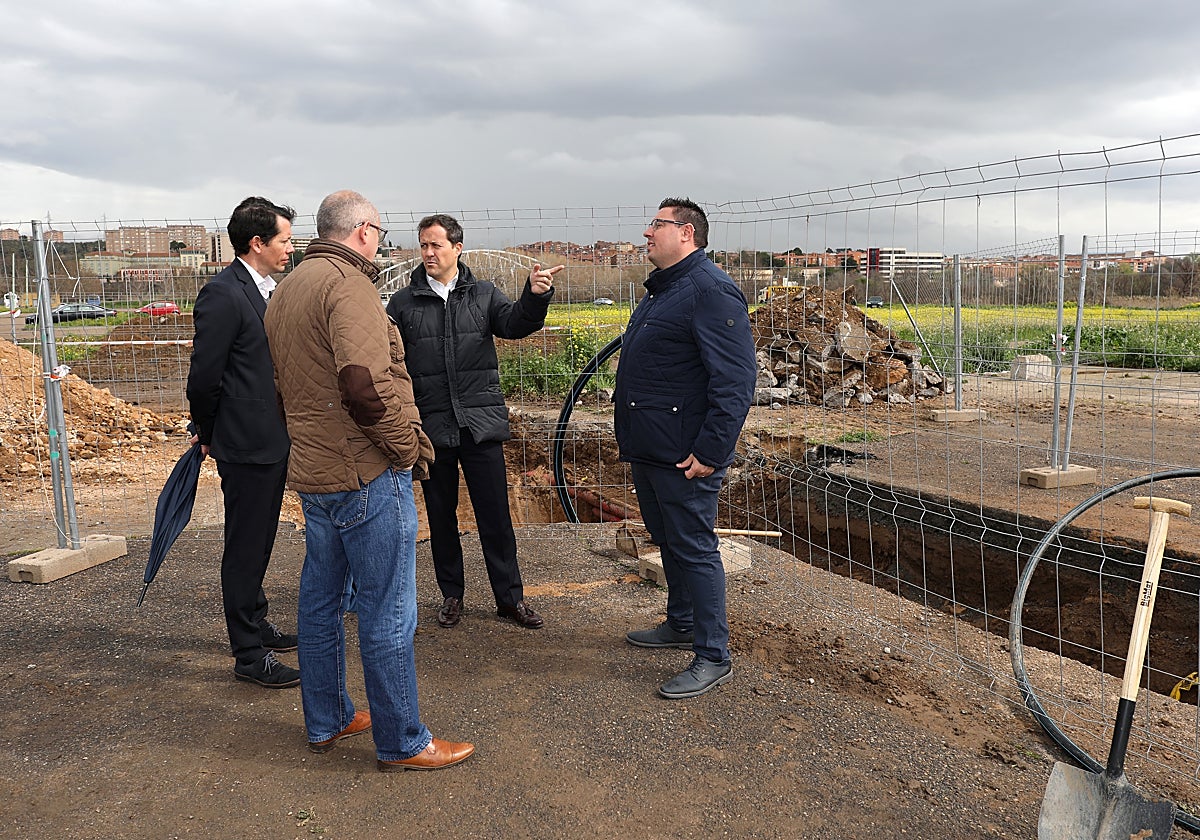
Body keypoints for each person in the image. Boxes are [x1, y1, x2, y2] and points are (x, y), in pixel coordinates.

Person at [265, 190, 473, 771]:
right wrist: (405, 449)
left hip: (315, 472)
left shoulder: (290, 287)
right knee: (388, 609)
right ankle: (403, 740)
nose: (384, 244)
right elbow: (360, 383)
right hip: (363, 474)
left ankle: (327, 718)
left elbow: (283, 389)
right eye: (380, 232)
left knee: (322, 600)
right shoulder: (348, 285)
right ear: (361, 231)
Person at [386, 214, 563, 631]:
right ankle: (452, 596)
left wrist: (535, 296)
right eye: (423, 245)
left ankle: (510, 599)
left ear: (457, 248)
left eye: (436, 245)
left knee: (495, 517)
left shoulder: (483, 294)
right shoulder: (403, 303)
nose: (428, 253)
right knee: (441, 517)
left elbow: (515, 324)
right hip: (432, 427)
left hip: (479, 425)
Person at [616, 197, 757, 699]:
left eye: (658, 224)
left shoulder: (710, 291)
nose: (648, 231)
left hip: (685, 454)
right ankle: (680, 623)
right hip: (653, 446)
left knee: (695, 548)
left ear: (688, 234)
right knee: (669, 539)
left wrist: (712, 452)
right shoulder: (665, 290)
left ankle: (713, 654)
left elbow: (736, 383)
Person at [186, 196, 299, 689]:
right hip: (244, 444)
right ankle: (249, 655)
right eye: (284, 240)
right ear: (257, 243)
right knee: (246, 548)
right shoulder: (223, 294)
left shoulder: (266, 290)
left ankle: (256, 620)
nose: (290, 249)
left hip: (269, 440)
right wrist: (208, 432)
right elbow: (203, 378)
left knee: (259, 540)